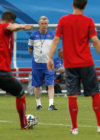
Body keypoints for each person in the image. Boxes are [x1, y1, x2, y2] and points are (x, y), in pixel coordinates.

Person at [47, 0, 100, 134]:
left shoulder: (63, 20)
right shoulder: (88, 21)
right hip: (87, 63)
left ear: (72, 4)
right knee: (95, 93)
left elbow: (56, 40)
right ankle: (99, 126)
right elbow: (94, 40)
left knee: (72, 95)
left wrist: (50, 57)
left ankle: (75, 128)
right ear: (85, 6)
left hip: (70, 65)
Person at [28, 16, 58, 111]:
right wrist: (36, 57)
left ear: (48, 25)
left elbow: (54, 48)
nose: (44, 25)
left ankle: (51, 104)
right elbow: (30, 49)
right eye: (42, 24)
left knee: (50, 84)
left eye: (45, 24)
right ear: (39, 25)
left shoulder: (52, 35)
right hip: (36, 64)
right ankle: (39, 105)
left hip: (48, 64)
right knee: (37, 85)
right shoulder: (33, 36)